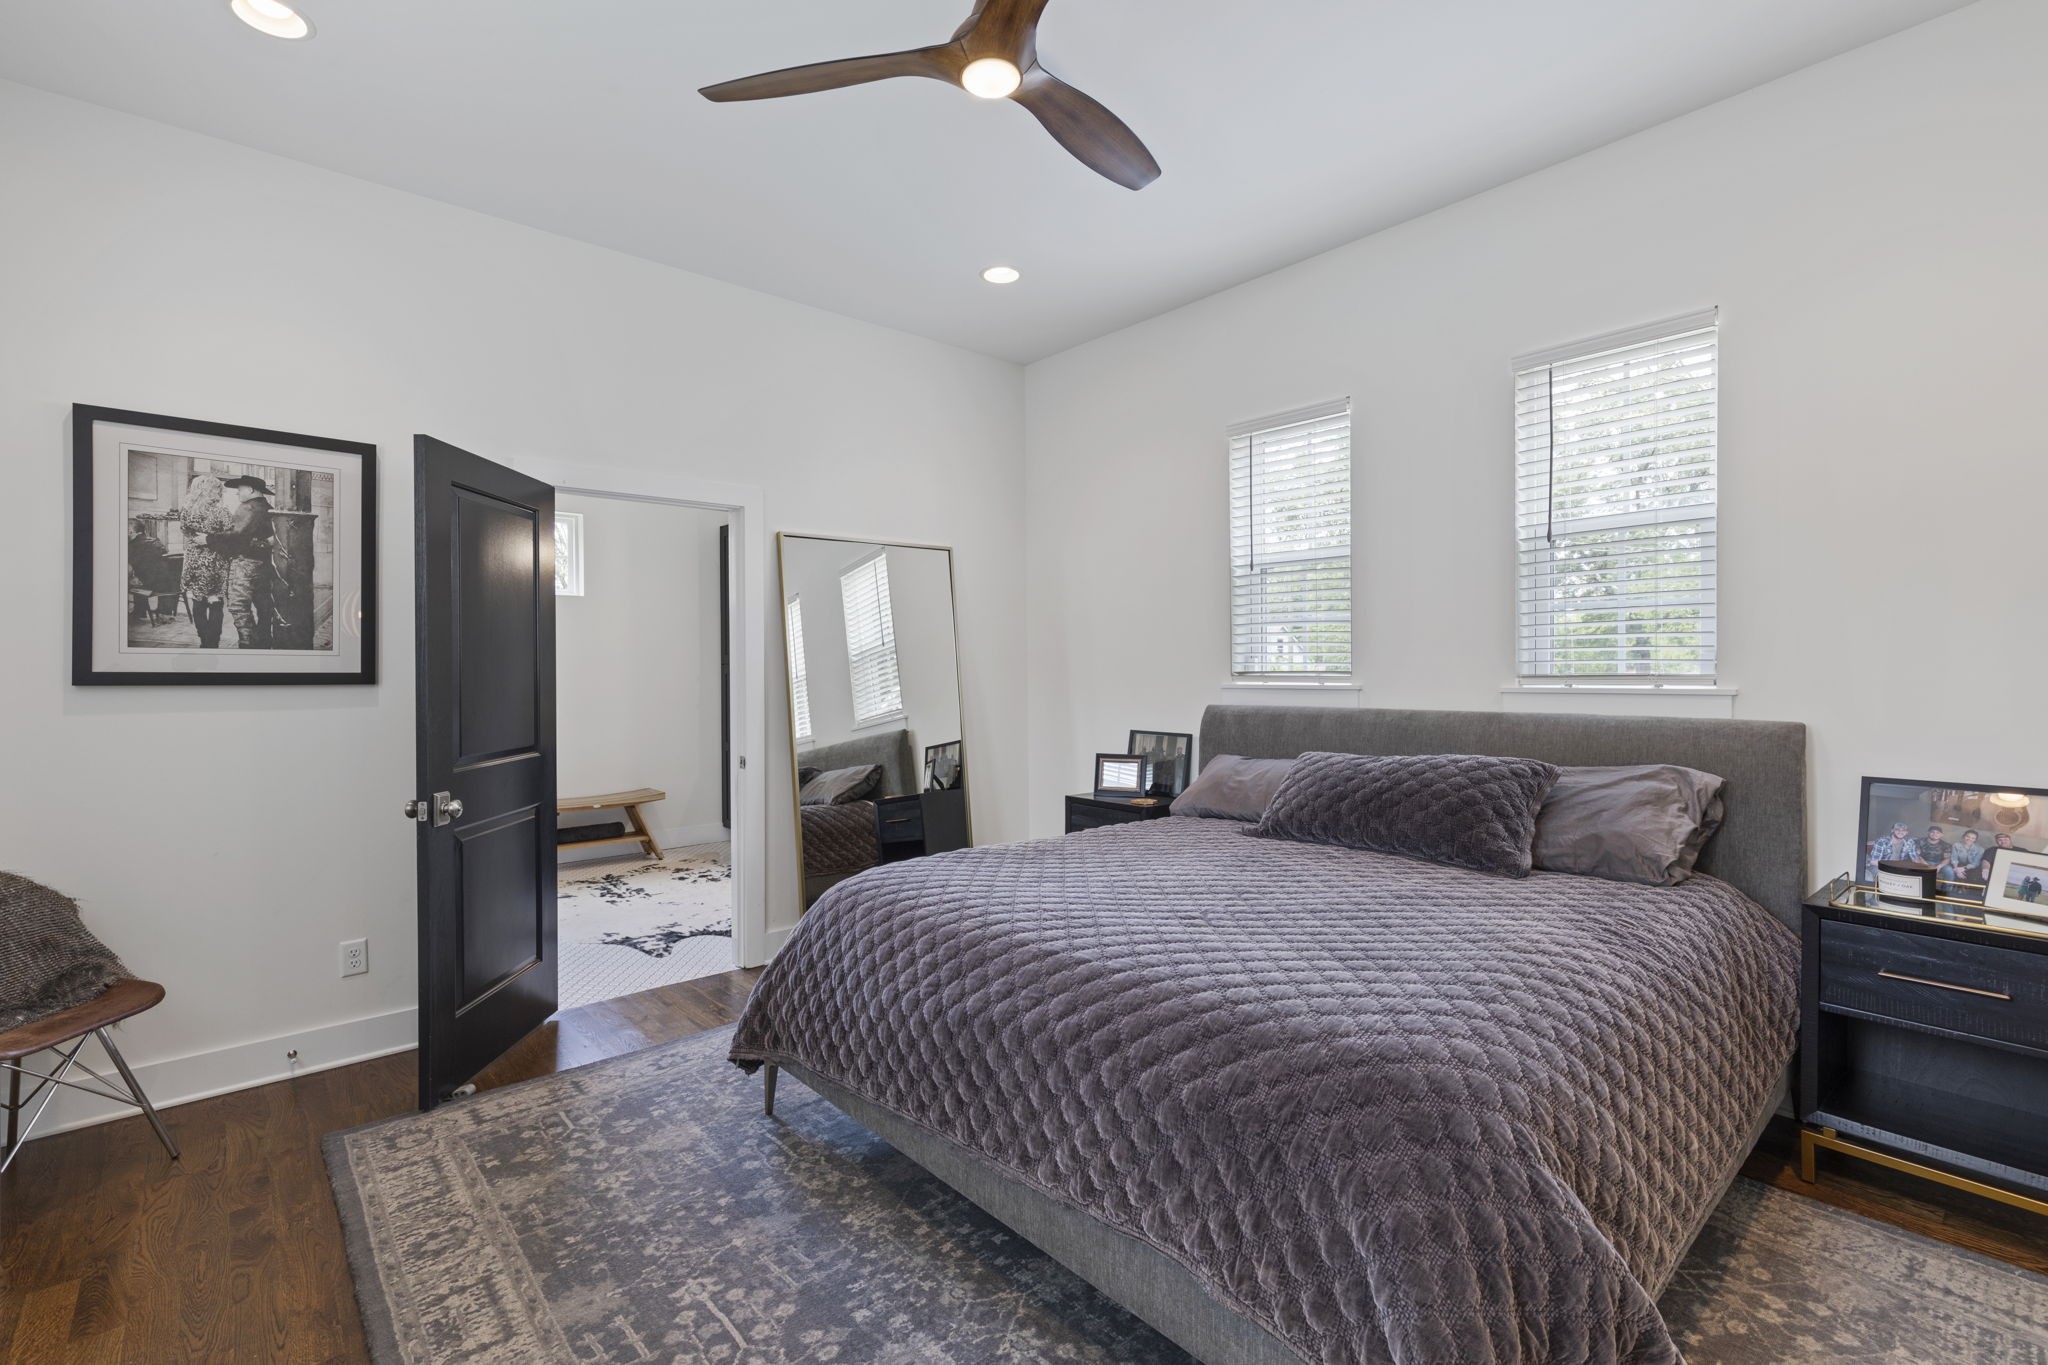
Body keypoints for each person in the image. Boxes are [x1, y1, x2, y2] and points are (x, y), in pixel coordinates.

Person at [211, 474, 277, 650]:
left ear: (251, 490)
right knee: (263, 605)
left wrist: (209, 538)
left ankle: (248, 645)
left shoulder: (248, 507)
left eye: (240, 490)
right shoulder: (267, 507)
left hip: (245, 563)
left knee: (238, 605)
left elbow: (237, 536)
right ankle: (264, 642)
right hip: (263, 564)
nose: (238, 494)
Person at [178, 473, 232, 648]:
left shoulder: (186, 510)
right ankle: (213, 642)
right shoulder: (221, 511)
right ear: (212, 490)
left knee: (198, 600)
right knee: (215, 601)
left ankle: (203, 639)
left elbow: (185, 532)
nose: (220, 493)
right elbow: (230, 535)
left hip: (194, 558)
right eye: (218, 489)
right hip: (216, 560)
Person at [127, 519, 168, 617]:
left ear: (130, 531)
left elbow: (129, 568)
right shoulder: (156, 541)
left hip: (147, 585)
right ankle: (142, 611)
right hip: (166, 584)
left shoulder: (132, 546)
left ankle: (139, 611)